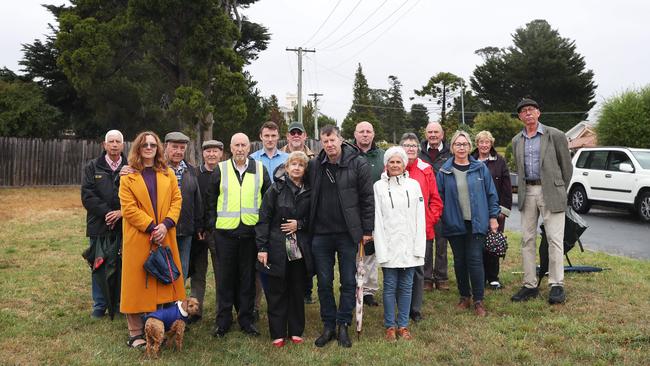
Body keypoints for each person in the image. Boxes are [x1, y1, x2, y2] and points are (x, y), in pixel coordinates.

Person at [309, 125, 374, 348]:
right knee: (324, 282)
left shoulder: (358, 163)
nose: (329, 145)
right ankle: (328, 325)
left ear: (341, 139)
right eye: (325, 141)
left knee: (348, 281)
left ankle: (343, 323)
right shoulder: (316, 165)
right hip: (321, 234)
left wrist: (367, 230)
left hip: (348, 233)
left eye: (332, 140)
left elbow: (367, 199)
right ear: (321, 143)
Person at [119, 131, 184, 348]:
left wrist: (165, 225)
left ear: (158, 148)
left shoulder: (168, 173)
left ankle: (159, 328)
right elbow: (128, 208)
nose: (148, 148)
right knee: (136, 283)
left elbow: (177, 200)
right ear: (138, 148)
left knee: (162, 282)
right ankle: (135, 332)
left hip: (164, 234)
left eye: (153, 144)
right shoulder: (128, 176)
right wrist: (150, 226)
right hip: (139, 236)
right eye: (144, 144)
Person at [206, 133, 271, 338]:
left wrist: (263, 230)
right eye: (237, 145)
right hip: (225, 234)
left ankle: (246, 320)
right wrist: (212, 226)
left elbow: (268, 201)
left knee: (248, 279)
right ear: (231, 148)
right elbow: (210, 200)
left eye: (244, 145)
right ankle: (223, 321)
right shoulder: (221, 169)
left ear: (249, 148)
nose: (240, 149)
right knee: (225, 279)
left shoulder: (260, 169)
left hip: (250, 234)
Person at [511, 98, 573, 304]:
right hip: (527, 191)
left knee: (555, 239)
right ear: (520, 117)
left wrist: (559, 189)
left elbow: (567, 167)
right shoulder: (516, 141)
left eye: (532, 109)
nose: (528, 113)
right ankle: (529, 285)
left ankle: (556, 284)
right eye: (524, 111)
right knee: (527, 239)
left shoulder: (555, 135)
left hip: (551, 191)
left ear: (539, 113)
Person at [436, 130, 500, 317]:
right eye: (458, 144)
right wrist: (442, 217)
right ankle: (465, 296)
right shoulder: (444, 171)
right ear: (452, 147)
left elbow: (491, 194)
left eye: (464, 144)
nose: (461, 147)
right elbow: (439, 198)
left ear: (469, 147)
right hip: (454, 223)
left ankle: (478, 300)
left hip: (476, 223)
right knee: (459, 261)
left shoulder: (480, 168)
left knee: (474, 259)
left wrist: (493, 217)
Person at [255, 151, 313, 347]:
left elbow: (315, 219)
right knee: (277, 290)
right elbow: (263, 219)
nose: (296, 168)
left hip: (299, 249)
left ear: (305, 170)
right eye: (293, 164)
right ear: (286, 168)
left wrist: (300, 224)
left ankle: (296, 331)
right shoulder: (275, 190)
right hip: (276, 246)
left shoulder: (310, 191)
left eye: (301, 165)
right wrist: (262, 247)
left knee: (297, 289)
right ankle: (277, 333)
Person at [373, 146, 426, 342]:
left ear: (404, 165)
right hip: (389, 244)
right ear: (386, 164)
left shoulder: (413, 186)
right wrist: (381, 248)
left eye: (398, 162)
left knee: (406, 287)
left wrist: (418, 247)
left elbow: (420, 217)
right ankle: (390, 326)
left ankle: (403, 325)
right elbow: (377, 219)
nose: (395, 165)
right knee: (389, 287)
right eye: (391, 162)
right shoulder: (378, 187)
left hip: (409, 245)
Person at [81, 129, 126, 318]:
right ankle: (99, 305)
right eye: (111, 141)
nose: (114, 145)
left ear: (123, 145)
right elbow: (87, 196)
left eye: (118, 141)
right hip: (98, 225)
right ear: (104, 145)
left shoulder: (130, 167)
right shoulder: (92, 167)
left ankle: (118, 304)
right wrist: (108, 213)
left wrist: (121, 213)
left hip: (124, 225)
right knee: (99, 264)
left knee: (122, 265)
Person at [399, 132, 443, 323]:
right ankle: (399, 306)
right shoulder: (392, 166)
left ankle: (415, 309)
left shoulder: (426, 169)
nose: (410, 149)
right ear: (401, 148)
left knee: (417, 269)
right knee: (398, 268)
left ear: (418, 148)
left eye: (414, 146)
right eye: (407, 145)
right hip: (399, 229)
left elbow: (435, 200)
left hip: (421, 229)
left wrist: (429, 220)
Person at [250, 121, 288, 320]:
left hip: (283, 218)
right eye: (267, 136)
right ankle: (255, 306)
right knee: (260, 261)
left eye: (274, 136)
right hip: (261, 216)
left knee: (283, 261)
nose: (270, 139)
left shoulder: (288, 159)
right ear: (261, 137)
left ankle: (283, 302)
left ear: (278, 137)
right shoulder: (252, 160)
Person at [471, 130, 512, 290]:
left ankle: (493, 277)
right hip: (475, 210)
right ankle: (478, 276)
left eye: (487, 142)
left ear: (491, 144)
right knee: (477, 244)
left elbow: (506, 188)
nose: (484, 145)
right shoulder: (470, 160)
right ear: (477, 144)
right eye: (481, 142)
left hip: (495, 210)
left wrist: (502, 211)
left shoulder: (499, 161)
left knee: (493, 243)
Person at [188, 139, 224, 323]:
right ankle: (196, 310)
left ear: (221, 154)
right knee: (198, 272)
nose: (211, 154)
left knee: (221, 273)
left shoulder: (226, 173)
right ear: (203, 154)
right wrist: (198, 227)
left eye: (215, 151)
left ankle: (221, 311)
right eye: (208, 151)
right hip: (199, 231)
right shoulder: (194, 174)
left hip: (220, 231)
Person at [353, 121, 385, 307]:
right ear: (355, 134)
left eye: (368, 132)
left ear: (373, 134)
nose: (365, 135)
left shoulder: (381, 157)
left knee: (371, 252)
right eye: (361, 132)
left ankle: (369, 291)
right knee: (355, 253)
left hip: (375, 211)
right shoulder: (348, 154)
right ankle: (354, 287)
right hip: (352, 210)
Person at [418, 121, 452, 291]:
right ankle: (426, 277)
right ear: (426, 135)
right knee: (425, 242)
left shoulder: (449, 153)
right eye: (430, 132)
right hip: (423, 205)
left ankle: (441, 276)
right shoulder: (418, 153)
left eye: (436, 132)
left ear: (442, 135)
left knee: (441, 242)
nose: (433, 135)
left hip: (442, 203)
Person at [164, 132, 202, 280]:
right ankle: (164, 302)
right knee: (163, 266)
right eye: (174, 147)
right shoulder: (157, 169)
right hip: (164, 228)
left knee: (182, 268)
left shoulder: (191, 170)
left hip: (185, 229)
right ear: (166, 147)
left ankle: (178, 301)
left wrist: (198, 226)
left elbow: (197, 200)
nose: (178, 151)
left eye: (182, 147)